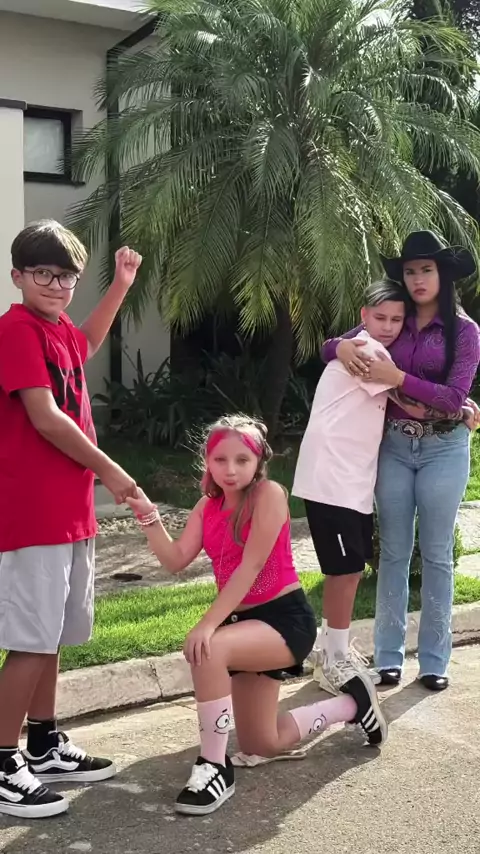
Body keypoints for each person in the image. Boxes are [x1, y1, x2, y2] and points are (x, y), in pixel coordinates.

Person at [126, 415, 389, 817]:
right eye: (220, 460)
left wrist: (207, 624)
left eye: (241, 460)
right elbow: (175, 559)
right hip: (242, 624)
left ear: (259, 461)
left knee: (209, 649)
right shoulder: (207, 506)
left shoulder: (270, 495)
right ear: (207, 461)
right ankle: (353, 705)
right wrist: (149, 516)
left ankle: (214, 767)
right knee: (262, 743)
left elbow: (250, 568)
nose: (230, 470)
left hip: (283, 621)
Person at [0, 220, 142, 819]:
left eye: (67, 277)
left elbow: (87, 340)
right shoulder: (15, 331)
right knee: (31, 640)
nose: (57, 285)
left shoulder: (56, 330)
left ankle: (43, 741)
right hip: (32, 513)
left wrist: (120, 285)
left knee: (53, 635)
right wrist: (114, 472)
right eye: (44, 274)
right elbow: (46, 417)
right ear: (18, 276)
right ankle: (3, 760)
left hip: (69, 512)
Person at [321, 231, 480, 692]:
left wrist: (398, 377)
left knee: (436, 554)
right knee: (392, 552)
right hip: (392, 445)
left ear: (443, 274)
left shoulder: (464, 331)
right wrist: (340, 347)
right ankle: (388, 658)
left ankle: (433, 662)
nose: (417, 279)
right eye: (410, 271)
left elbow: (453, 399)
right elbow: (332, 347)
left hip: (443, 449)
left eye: (426, 270)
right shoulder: (394, 319)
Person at [292, 280, 408, 694]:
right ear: (363, 316)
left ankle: (331, 650)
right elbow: (411, 403)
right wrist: (457, 404)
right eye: (381, 317)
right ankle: (334, 662)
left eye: (397, 319)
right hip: (333, 477)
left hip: (350, 478)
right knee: (345, 571)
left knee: (348, 569)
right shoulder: (367, 350)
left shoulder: (357, 345)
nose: (389, 326)